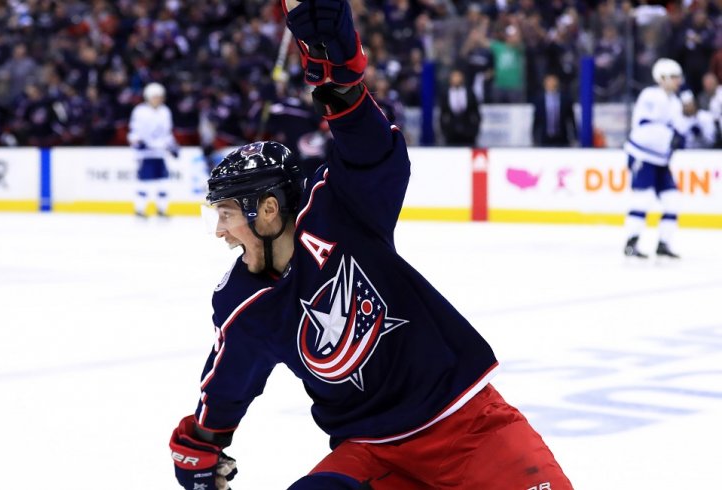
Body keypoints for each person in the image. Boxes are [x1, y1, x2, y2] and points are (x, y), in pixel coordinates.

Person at [168, 2, 573, 489]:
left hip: (468, 427)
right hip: (371, 454)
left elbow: (374, 154)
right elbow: (230, 377)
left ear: (268, 210)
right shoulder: (243, 299)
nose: (220, 231)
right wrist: (203, 442)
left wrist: (339, 85)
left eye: (228, 214)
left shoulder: (338, 211)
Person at [622, 58, 698, 259]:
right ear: (661, 78)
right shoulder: (650, 95)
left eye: (678, 77)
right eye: (673, 77)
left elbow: (682, 129)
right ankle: (631, 242)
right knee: (643, 198)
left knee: (673, 201)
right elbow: (645, 125)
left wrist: (690, 116)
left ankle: (663, 243)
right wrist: (671, 136)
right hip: (643, 155)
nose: (677, 81)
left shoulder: (674, 101)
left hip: (661, 160)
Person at [128, 82, 179, 218]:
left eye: (159, 96)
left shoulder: (165, 111)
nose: (157, 99)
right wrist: (138, 143)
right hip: (145, 154)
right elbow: (134, 131)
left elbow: (167, 133)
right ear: (148, 97)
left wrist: (173, 146)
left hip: (160, 153)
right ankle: (140, 209)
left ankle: (161, 209)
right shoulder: (140, 111)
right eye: (155, 96)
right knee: (144, 182)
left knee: (163, 181)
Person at [532, 74, 577, 147]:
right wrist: (534, 138)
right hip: (545, 138)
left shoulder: (565, 99)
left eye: (553, 82)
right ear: (545, 84)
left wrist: (575, 136)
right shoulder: (539, 100)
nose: (551, 84)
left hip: (562, 138)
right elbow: (536, 121)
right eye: (549, 82)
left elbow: (571, 119)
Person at [439, 69, 481, 146]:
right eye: (454, 76)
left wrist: (474, 130)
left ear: (463, 78)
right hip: (451, 134)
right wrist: (445, 131)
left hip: (468, 134)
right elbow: (443, 114)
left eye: (458, 76)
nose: (456, 78)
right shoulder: (445, 93)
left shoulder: (470, 92)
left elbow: (476, 112)